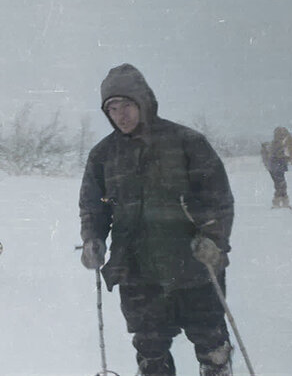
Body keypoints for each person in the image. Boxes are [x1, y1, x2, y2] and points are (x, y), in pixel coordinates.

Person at [79, 64, 235, 376]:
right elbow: (93, 208)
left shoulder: (187, 142)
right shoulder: (103, 154)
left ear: (143, 102)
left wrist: (214, 240)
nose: (120, 115)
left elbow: (217, 198)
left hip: (194, 267)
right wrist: (92, 239)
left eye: (127, 105)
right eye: (112, 108)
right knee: (151, 356)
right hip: (138, 272)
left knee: (212, 349)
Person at [260, 126, 292, 208]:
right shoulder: (277, 144)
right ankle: (280, 203)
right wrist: (287, 158)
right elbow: (278, 155)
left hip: (275, 167)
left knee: (280, 185)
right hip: (276, 167)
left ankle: (280, 202)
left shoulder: (278, 143)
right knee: (281, 185)